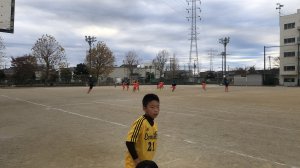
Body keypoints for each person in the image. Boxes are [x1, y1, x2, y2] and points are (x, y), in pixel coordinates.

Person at [125, 94, 160, 168]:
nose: (156, 110)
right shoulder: (140, 122)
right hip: (134, 165)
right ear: (144, 108)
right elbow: (129, 142)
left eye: (158, 107)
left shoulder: (154, 125)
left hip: (146, 163)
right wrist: (137, 162)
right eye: (152, 107)